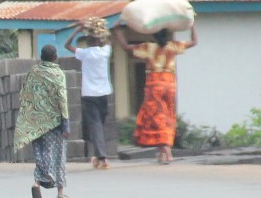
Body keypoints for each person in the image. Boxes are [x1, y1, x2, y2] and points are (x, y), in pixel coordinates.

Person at [122, 22, 197, 163]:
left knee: (156, 118)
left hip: (154, 83)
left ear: (154, 36)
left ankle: (166, 151)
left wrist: (118, 32)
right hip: (170, 83)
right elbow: (194, 41)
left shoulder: (149, 48)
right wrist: (191, 25)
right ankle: (164, 151)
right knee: (168, 115)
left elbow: (126, 47)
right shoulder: (173, 46)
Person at [16, 43, 72, 198]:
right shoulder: (57, 73)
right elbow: (62, 98)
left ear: (41, 57)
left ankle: (37, 183)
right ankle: (60, 194)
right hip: (52, 122)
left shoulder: (33, 72)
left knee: (40, 154)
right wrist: (65, 122)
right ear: (55, 58)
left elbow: (23, 94)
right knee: (57, 155)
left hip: (33, 120)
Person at [72, 21, 115, 170]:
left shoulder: (84, 54)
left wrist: (77, 30)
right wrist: (102, 29)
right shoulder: (105, 52)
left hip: (89, 94)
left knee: (95, 126)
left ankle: (100, 157)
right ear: (99, 40)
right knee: (99, 125)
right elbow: (109, 38)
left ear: (88, 41)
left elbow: (66, 45)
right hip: (104, 94)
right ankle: (100, 156)